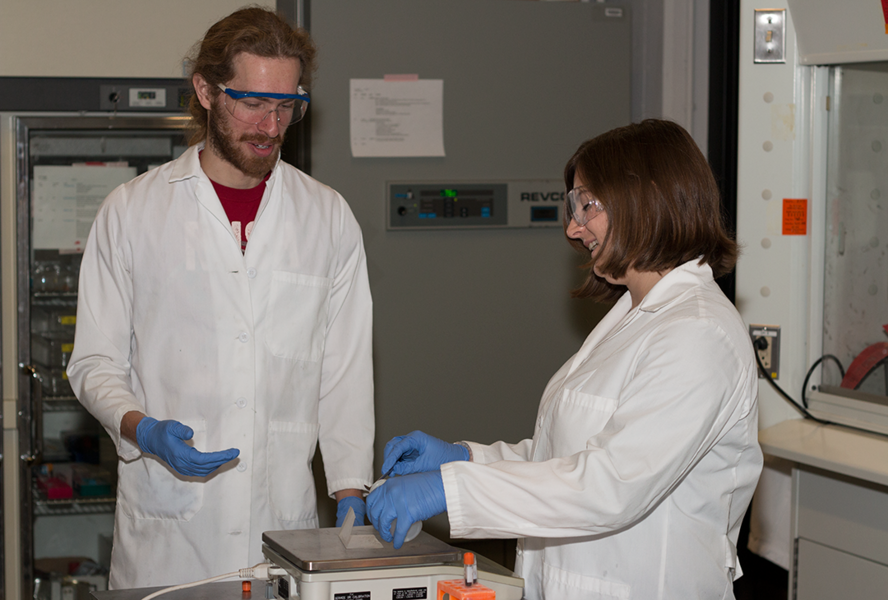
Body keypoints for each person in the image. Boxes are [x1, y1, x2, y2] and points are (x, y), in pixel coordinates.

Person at [367, 120, 763, 599]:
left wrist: (449, 489)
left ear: (647, 196)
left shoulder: (699, 333)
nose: (574, 228)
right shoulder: (634, 314)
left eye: (586, 204)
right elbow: (566, 458)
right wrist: (467, 457)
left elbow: (609, 484)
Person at [67, 7, 373, 589]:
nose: (270, 125)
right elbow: (94, 361)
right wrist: (139, 427)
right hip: (169, 535)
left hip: (283, 531)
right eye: (252, 102)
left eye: (287, 105)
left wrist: (350, 487)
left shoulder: (327, 218)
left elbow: (346, 370)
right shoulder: (133, 212)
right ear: (205, 91)